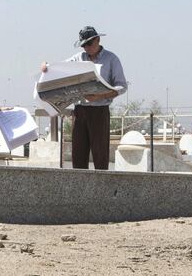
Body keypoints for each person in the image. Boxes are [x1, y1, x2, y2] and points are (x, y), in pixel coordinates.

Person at [41, 26, 127, 169]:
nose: (86, 48)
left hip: (100, 111)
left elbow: (122, 86)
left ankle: (101, 188)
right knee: (78, 154)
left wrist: (101, 95)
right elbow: (58, 68)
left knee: (100, 155)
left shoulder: (111, 59)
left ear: (98, 40)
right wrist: (46, 65)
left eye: (89, 44)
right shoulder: (78, 58)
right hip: (79, 112)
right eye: (83, 45)